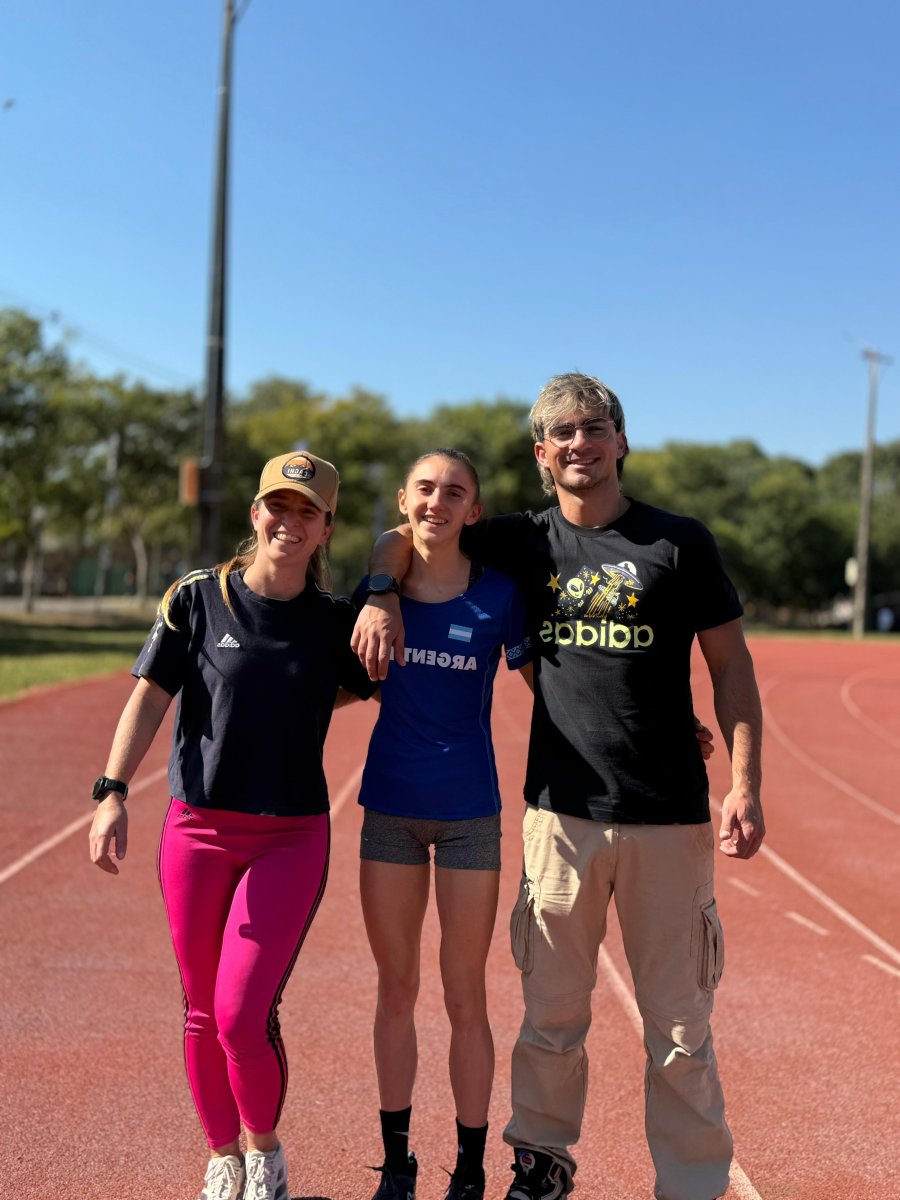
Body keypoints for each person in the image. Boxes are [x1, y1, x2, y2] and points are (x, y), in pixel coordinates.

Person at [351, 374, 765, 1200]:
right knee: (552, 1018)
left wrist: (745, 785)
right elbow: (407, 532)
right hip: (560, 818)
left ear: (620, 441)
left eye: (595, 427)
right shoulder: (518, 541)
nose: (580, 443)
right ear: (542, 456)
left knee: (680, 1028)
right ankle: (541, 1164)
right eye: (562, 434)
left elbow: (733, 667)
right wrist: (377, 590)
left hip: (669, 817)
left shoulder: (679, 541)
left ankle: (691, 1184)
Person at [88, 450, 376, 1200]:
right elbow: (152, 695)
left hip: (289, 836)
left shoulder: (336, 622)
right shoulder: (196, 598)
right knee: (199, 1009)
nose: (290, 521)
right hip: (196, 830)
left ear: (325, 530)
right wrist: (113, 789)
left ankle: (266, 1155)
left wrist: (384, 592)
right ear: (256, 514)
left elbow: (360, 685)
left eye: (307, 512)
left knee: (244, 1014)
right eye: (278, 506)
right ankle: (223, 1157)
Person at [357, 449, 533, 1200]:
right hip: (389, 810)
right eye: (425, 489)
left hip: (469, 815)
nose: (438, 501)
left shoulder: (500, 596)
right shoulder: (378, 592)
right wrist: (376, 589)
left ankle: (470, 1165)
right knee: (396, 989)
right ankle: (398, 1163)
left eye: (454, 492)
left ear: (474, 510)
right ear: (405, 499)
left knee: (466, 992)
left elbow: (554, 688)